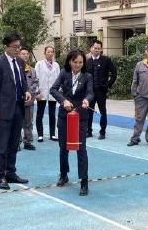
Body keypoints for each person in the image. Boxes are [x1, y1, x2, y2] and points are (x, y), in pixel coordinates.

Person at [0, 33, 31, 190]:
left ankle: (11, 173)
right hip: (4, 110)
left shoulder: (20, 62)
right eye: (14, 47)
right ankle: (1, 176)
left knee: (14, 143)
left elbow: (22, 81)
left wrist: (26, 91)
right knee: (3, 145)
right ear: (5, 47)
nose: (17, 49)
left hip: (19, 108)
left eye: (18, 46)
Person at [50, 50, 94, 196]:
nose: (77, 65)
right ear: (70, 61)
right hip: (65, 116)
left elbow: (90, 92)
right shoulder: (64, 73)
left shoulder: (87, 76)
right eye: (75, 62)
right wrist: (64, 101)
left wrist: (87, 99)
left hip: (81, 116)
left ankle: (84, 181)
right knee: (63, 148)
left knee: (81, 149)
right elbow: (53, 89)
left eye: (80, 62)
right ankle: (63, 174)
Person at [86, 39, 117, 139]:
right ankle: (88, 131)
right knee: (89, 111)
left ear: (101, 49)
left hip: (101, 91)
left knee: (103, 111)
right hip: (90, 92)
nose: (96, 50)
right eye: (95, 48)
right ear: (91, 48)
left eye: (99, 49)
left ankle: (102, 132)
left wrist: (107, 85)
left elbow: (114, 74)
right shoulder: (87, 61)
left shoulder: (106, 60)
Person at [35, 46, 60, 142]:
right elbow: (35, 79)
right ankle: (40, 135)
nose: (50, 53)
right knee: (40, 114)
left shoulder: (56, 65)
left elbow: (58, 79)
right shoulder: (39, 64)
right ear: (45, 53)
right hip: (42, 92)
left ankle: (52, 134)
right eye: (48, 52)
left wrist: (58, 91)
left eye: (51, 52)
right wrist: (37, 92)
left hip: (52, 93)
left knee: (52, 114)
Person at [19, 47, 39, 150]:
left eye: (27, 54)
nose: (25, 55)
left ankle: (28, 141)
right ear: (19, 55)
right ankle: (16, 142)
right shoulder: (16, 69)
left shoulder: (32, 70)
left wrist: (31, 92)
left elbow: (36, 82)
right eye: (23, 54)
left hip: (29, 100)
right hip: (17, 100)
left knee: (28, 122)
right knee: (17, 122)